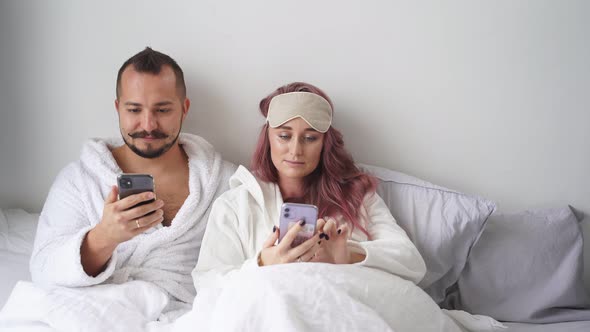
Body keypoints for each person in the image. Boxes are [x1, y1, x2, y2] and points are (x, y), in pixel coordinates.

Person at [28, 47, 236, 319]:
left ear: (184, 109)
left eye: (162, 109)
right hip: (102, 314)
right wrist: (103, 237)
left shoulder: (225, 182)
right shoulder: (80, 181)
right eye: (134, 109)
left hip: (190, 317)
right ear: (118, 108)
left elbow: (248, 266)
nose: (148, 124)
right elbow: (43, 269)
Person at [192, 82, 426, 291]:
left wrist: (349, 255)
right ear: (268, 139)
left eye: (310, 138)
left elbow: (412, 263)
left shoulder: (357, 195)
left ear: (325, 143)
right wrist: (262, 263)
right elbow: (207, 284)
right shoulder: (235, 204)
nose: (295, 150)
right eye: (284, 136)